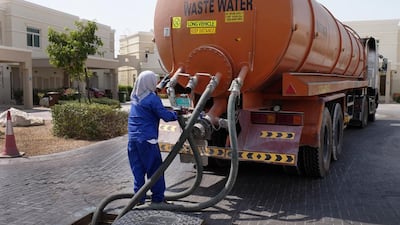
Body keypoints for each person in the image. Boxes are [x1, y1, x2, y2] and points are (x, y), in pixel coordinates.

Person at [127, 70, 178, 204]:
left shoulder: (134, 97)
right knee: (155, 171)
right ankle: (158, 199)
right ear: (149, 82)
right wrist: (177, 114)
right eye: (154, 81)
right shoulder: (152, 99)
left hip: (132, 140)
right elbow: (166, 116)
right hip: (147, 140)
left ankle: (139, 199)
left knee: (138, 170)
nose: (155, 83)